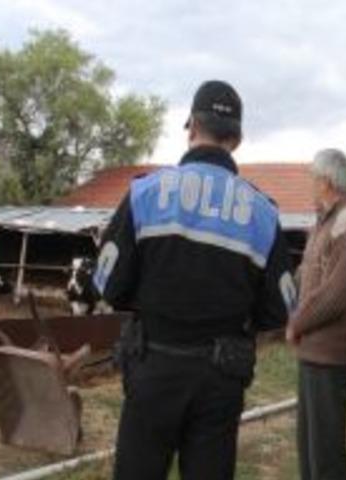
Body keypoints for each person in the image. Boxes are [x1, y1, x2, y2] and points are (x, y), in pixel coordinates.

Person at [93, 80, 295, 480]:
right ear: (236, 140)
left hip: (153, 366)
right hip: (221, 378)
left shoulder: (145, 193)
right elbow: (278, 310)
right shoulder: (262, 212)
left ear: (192, 128)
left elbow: (109, 285)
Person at [287, 148, 346, 480]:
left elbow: (335, 296)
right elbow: (304, 277)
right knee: (309, 449)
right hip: (312, 352)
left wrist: (297, 323)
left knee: (326, 454)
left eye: (312, 178)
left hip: (330, 355)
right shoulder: (322, 225)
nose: (309, 184)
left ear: (326, 181)